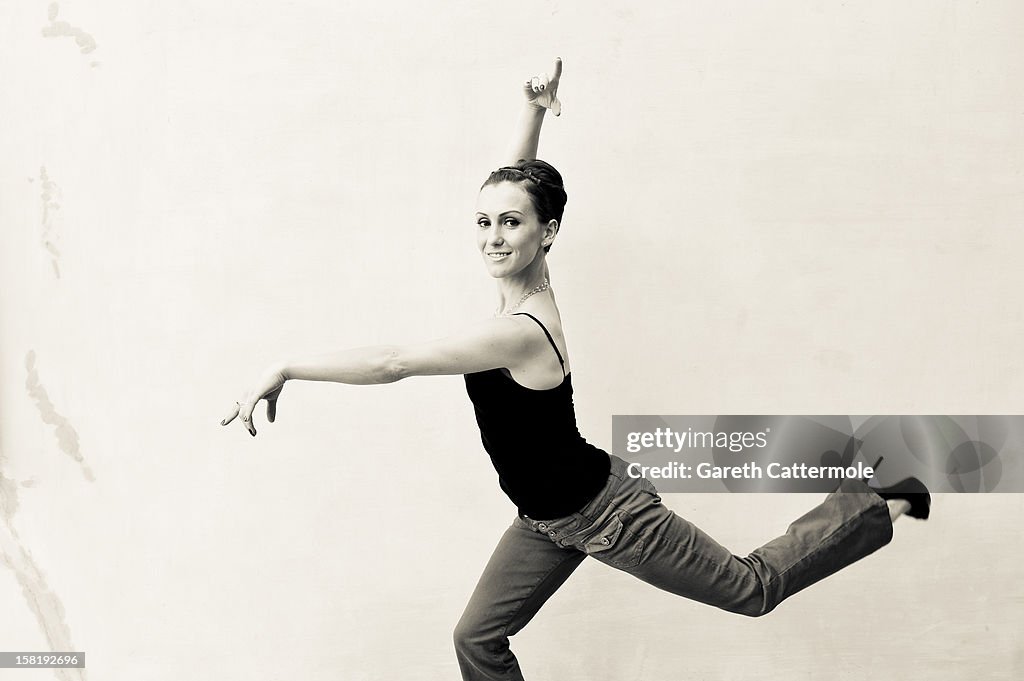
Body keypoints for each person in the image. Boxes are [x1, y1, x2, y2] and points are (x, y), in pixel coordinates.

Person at [220, 58, 931, 681]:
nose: (493, 236)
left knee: (751, 588)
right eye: (482, 222)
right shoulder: (520, 289)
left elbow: (394, 362)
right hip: (544, 519)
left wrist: (287, 364)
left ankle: (880, 500)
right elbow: (517, 188)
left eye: (511, 224)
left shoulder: (522, 331)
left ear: (546, 233)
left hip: (609, 515)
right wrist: (531, 114)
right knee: (476, 636)